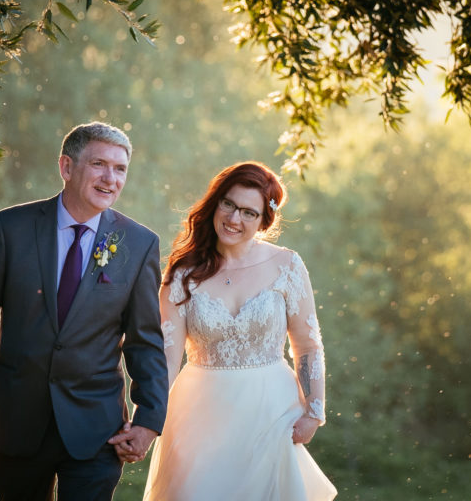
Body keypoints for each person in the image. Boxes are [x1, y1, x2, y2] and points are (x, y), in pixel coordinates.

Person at [0, 121, 168, 501]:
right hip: (15, 420)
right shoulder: (9, 228)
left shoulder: (139, 243)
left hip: (97, 429)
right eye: (99, 164)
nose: (110, 178)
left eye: (120, 168)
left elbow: (145, 341)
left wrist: (148, 420)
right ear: (66, 167)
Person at [143, 161, 337, 500]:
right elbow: (166, 360)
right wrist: (145, 417)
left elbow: (307, 345)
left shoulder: (287, 265)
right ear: (215, 203)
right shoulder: (182, 274)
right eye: (229, 204)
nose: (234, 219)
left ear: (264, 220)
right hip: (198, 416)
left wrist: (314, 411)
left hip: (271, 412)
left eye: (249, 212)